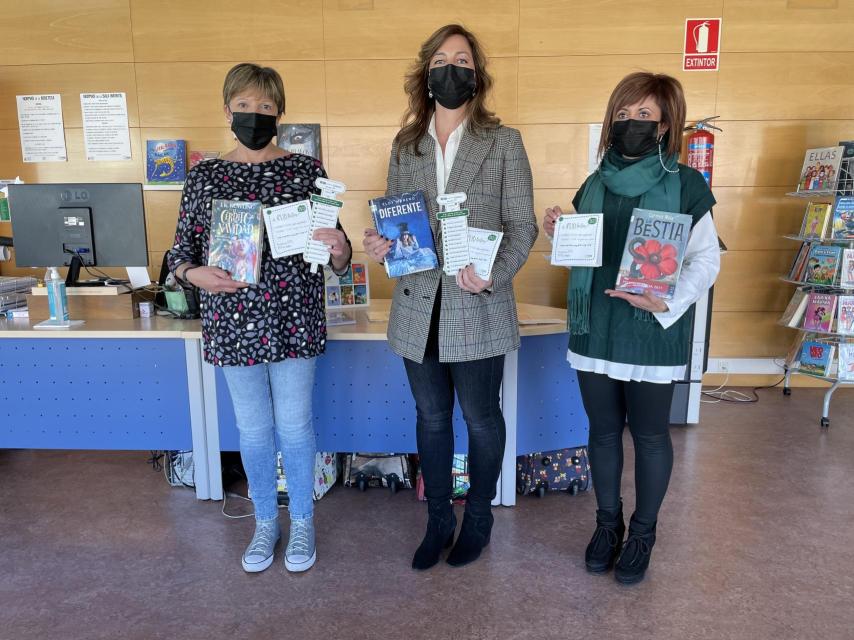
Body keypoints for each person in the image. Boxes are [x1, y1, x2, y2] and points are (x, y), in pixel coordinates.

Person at [364, 24, 537, 570]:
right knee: (432, 418)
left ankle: (479, 516)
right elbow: (398, 224)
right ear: (426, 73)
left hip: (478, 305)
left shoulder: (503, 141)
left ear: (477, 75)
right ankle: (438, 517)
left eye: (462, 59)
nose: (451, 68)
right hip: (419, 307)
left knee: (482, 419)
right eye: (441, 59)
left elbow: (522, 224)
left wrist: (495, 275)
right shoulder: (406, 144)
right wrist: (380, 243)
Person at [168, 63, 351, 574]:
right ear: (227, 110)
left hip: (294, 318)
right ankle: (265, 522)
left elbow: (336, 255)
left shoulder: (305, 172)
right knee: (253, 430)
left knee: (294, 427)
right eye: (245, 106)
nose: (255, 115)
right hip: (232, 320)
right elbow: (179, 254)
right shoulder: (204, 176)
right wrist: (194, 273)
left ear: (280, 113)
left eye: (266, 107)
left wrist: (339, 248)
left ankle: (304, 524)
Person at [544, 72, 721, 585]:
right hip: (596, 326)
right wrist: (561, 232)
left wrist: (664, 300)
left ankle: (642, 533)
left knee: (648, 435)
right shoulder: (595, 181)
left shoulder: (686, 184)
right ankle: (607, 525)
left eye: (644, 116)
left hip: (650, 329)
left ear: (666, 124)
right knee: (600, 433)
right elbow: (583, 255)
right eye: (623, 115)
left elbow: (706, 261)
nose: (631, 124)